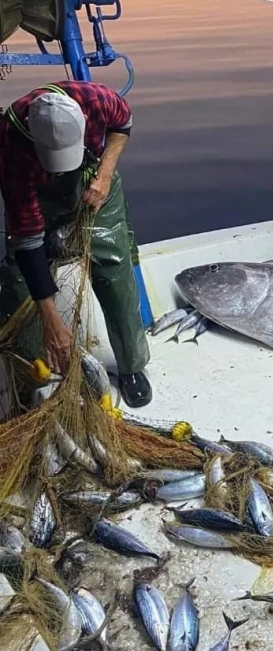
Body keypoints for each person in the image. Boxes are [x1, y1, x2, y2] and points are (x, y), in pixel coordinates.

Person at [0, 80, 152, 407]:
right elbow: (27, 239)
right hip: (40, 199)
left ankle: (132, 366)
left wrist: (106, 172)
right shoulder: (11, 146)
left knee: (114, 270)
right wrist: (52, 321)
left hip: (96, 184)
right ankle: (31, 375)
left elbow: (123, 125)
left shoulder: (94, 99)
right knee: (18, 283)